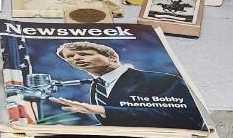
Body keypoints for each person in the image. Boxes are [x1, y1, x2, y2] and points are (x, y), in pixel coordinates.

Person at [52, 39, 202, 128]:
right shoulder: (96, 87)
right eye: (70, 57)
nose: (76, 59)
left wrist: (102, 109)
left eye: (84, 54)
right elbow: (118, 124)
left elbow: (189, 120)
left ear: (112, 58)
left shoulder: (165, 80)